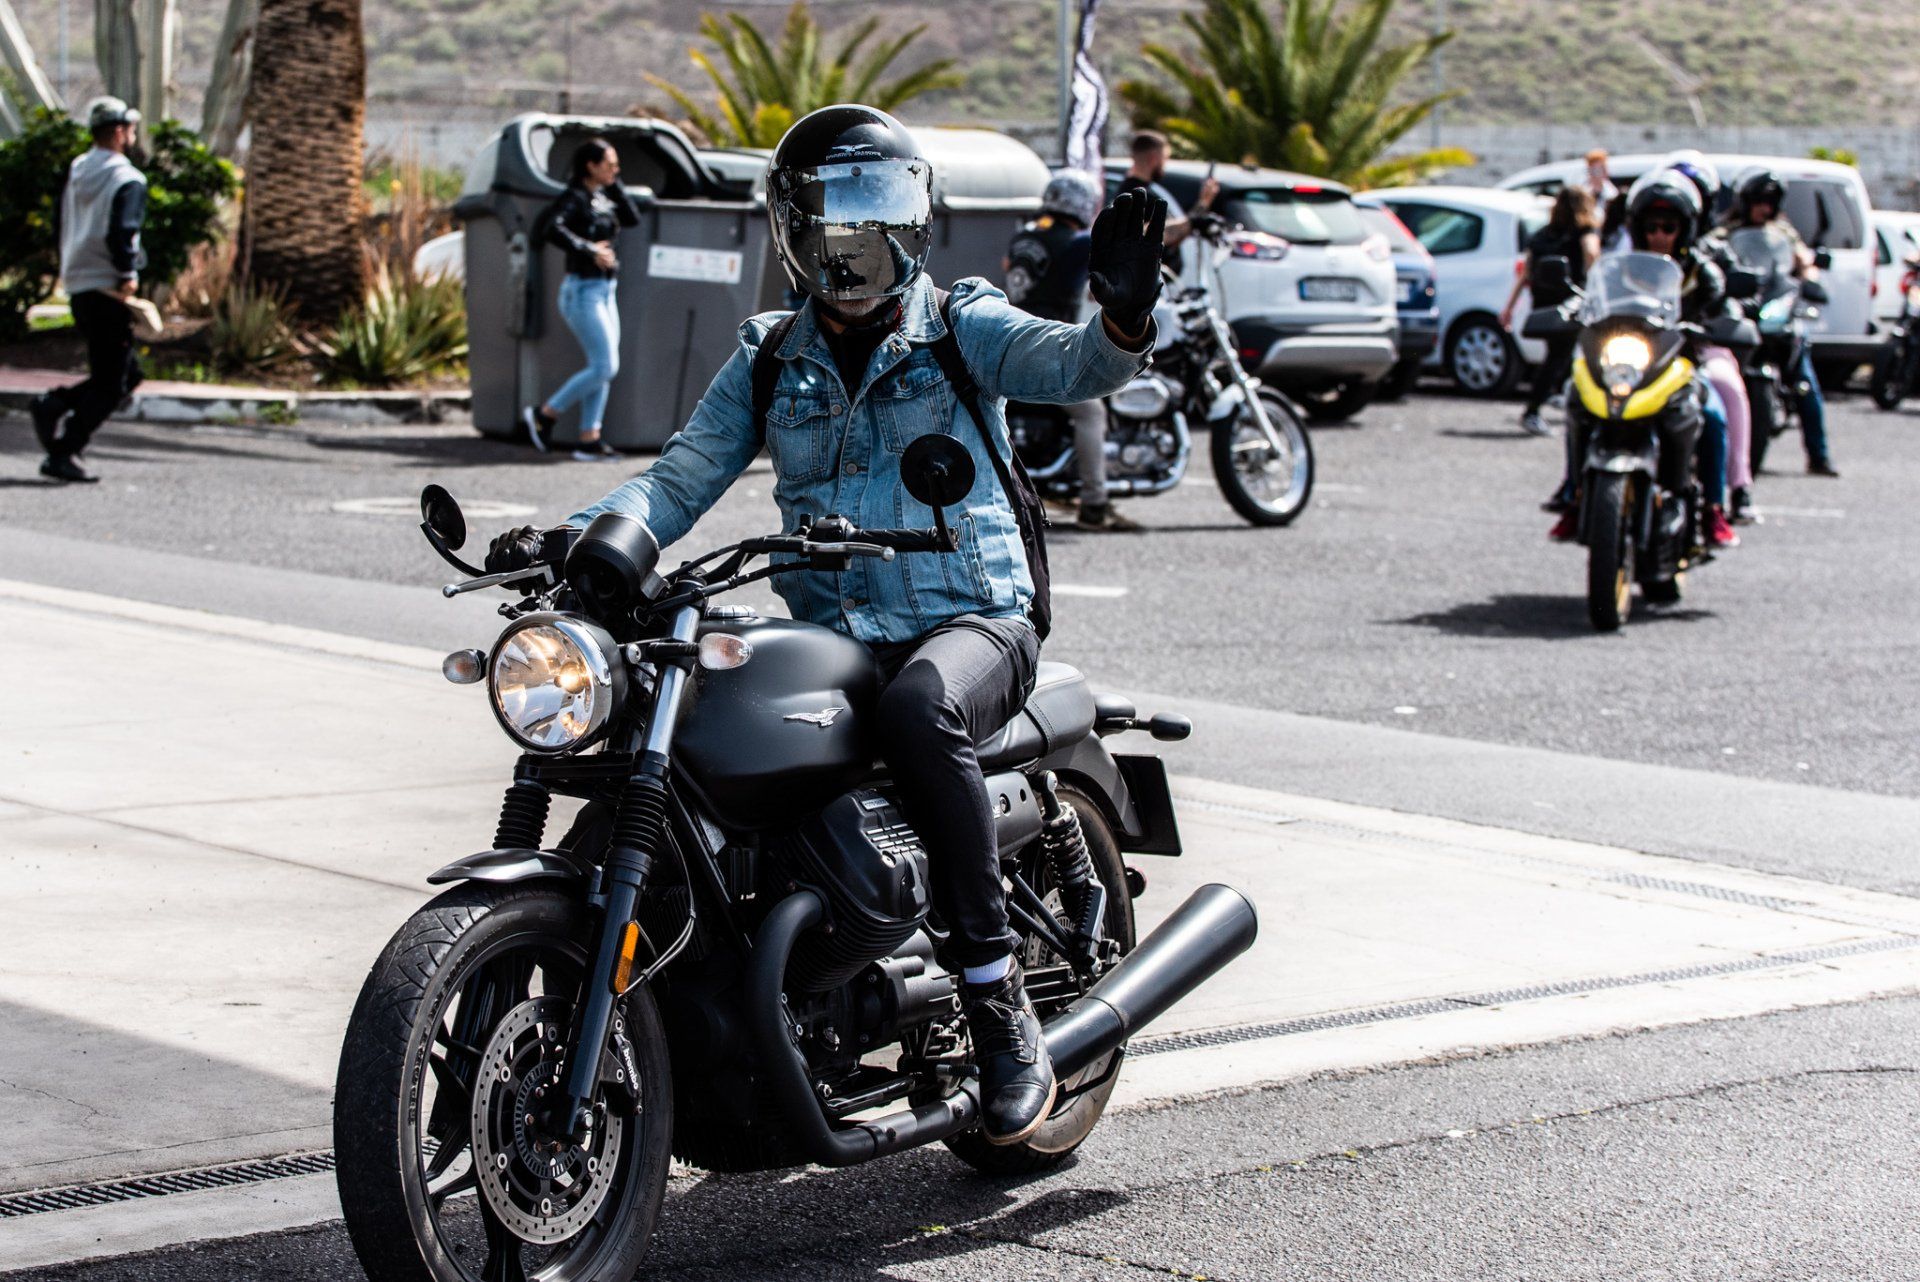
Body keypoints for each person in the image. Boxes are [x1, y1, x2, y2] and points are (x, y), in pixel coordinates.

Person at [482, 105, 1165, 1147]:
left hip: (973, 616)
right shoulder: (768, 355)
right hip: (839, 627)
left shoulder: (962, 324)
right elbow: (681, 476)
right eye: (824, 218)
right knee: (719, 716)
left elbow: (1069, 368)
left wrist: (1120, 315)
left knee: (921, 706)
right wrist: (582, 541)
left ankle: (997, 1006)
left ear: (915, 222)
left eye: (873, 213)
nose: (848, 244)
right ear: (790, 231)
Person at [1549, 170, 1740, 549]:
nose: (1659, 235)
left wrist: (1728, 319)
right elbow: (1588, 296)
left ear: (1684, 230)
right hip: (1624, 363)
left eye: (1669, 227)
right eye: (1652, 226)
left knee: (1715, 415)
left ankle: (1713, 508)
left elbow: (1725, 305)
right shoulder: (1618, 267)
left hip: (1680, 363)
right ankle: (1575, 493)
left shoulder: (1701, 271)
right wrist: (1568, 310)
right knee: (1576, 398)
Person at [1004, 171, 1134, 532]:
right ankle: (1094, 504)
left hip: (1010, 339)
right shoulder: (1076, 242)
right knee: (1092, 413)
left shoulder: (1024, 237)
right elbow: (1102, 279)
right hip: (1046, 343)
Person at [28, 97, 148, 484]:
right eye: (129, 129)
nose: (131, 136)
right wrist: (127, 273)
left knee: (123, 374)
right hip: (107, 286)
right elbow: (123, 231)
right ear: (118, 132)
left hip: (79, 280)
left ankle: (56, 404)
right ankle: (64, 450)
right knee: (115, 381)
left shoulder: (78, 170)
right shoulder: (126, 178)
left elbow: (58, 222)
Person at [519, 137, 640, 461]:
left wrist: (614, 184)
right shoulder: (574, 198)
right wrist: (588, 248)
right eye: (609, 164)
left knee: (601, 366)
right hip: (582, 290)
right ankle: (545, 414)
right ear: (591, 165)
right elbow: (551, 227)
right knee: (605, 365)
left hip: (605, 289)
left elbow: (632, 217)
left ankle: (589, 438)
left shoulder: (603, 195)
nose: (616, 169)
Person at [1716, 167, 1837, 483]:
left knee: (1804, 379)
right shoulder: (1724, 233)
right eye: (1758, 201)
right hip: (1743, 311)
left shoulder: (1784, 232)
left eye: (1769, 202)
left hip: (1777, 310)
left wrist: (1810, 280)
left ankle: (1819, 455)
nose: (1763, 209)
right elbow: (1713, 265)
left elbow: (1804, 261)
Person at [1502, 185, 1602, 436]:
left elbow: (1526, 273)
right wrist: (1596, 282)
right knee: (1559, 357)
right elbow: (1592, 253)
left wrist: (1509, 307)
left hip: (1543, 304)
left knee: (1560, 355)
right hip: (1571, 303)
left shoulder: (1543, 235)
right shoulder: (1583, 232)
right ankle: (1533, 410)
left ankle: (1561, 393)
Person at [1116, 130, 1218, 274]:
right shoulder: (1137, 195)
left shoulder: (1142, 191)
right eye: (1164, 158)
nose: (1165, 165)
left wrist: (1203, 202)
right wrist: (1194, 219)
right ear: (1153, 158)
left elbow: (1180, 230)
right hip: (1141, 284)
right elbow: (1145, 235)